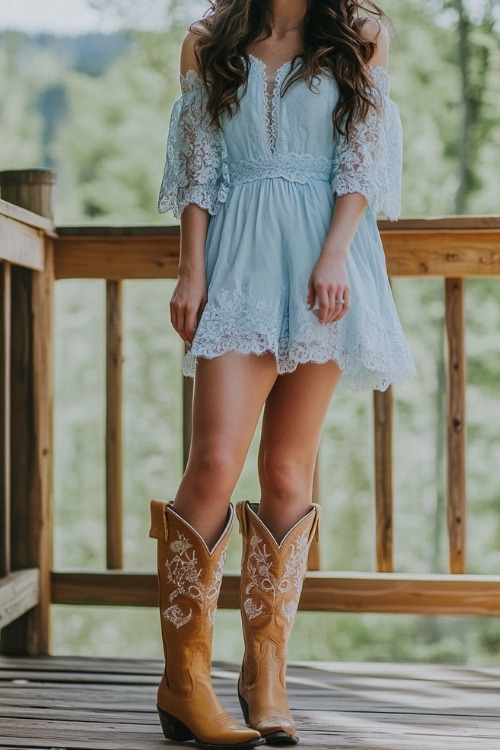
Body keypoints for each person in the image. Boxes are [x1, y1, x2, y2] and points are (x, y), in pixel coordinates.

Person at [149, 0, 416, 747]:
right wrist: (190, 271)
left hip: (329, 260)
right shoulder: (209, 37)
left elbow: (362, 156)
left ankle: (265, 672)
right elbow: (199, 166)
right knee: (211, 464)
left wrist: (335, 253)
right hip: (240, 263)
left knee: (288, 472)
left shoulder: (359, 31)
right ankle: (184, 683)